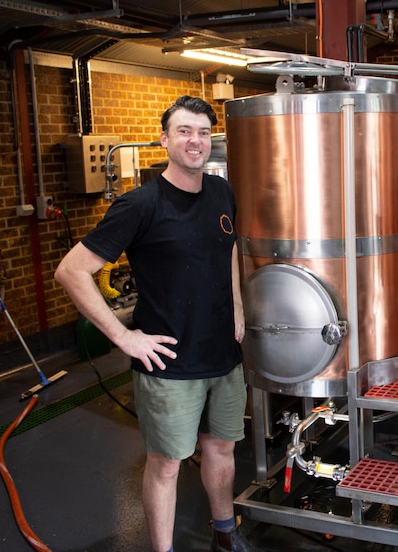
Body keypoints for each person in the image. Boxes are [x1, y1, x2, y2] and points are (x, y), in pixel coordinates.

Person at [55, 95, 255, 552]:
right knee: (166, 464)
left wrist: (238, 309)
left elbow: (228, 250)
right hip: (169, 362)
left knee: (221, 450)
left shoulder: (222, 191)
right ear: (164, 139)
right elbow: (71, 270)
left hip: (222, 354)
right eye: (184, 131)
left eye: (203, 132)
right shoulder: (140, 204)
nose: (195, 141)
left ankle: (224, 534)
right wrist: (123, 336)